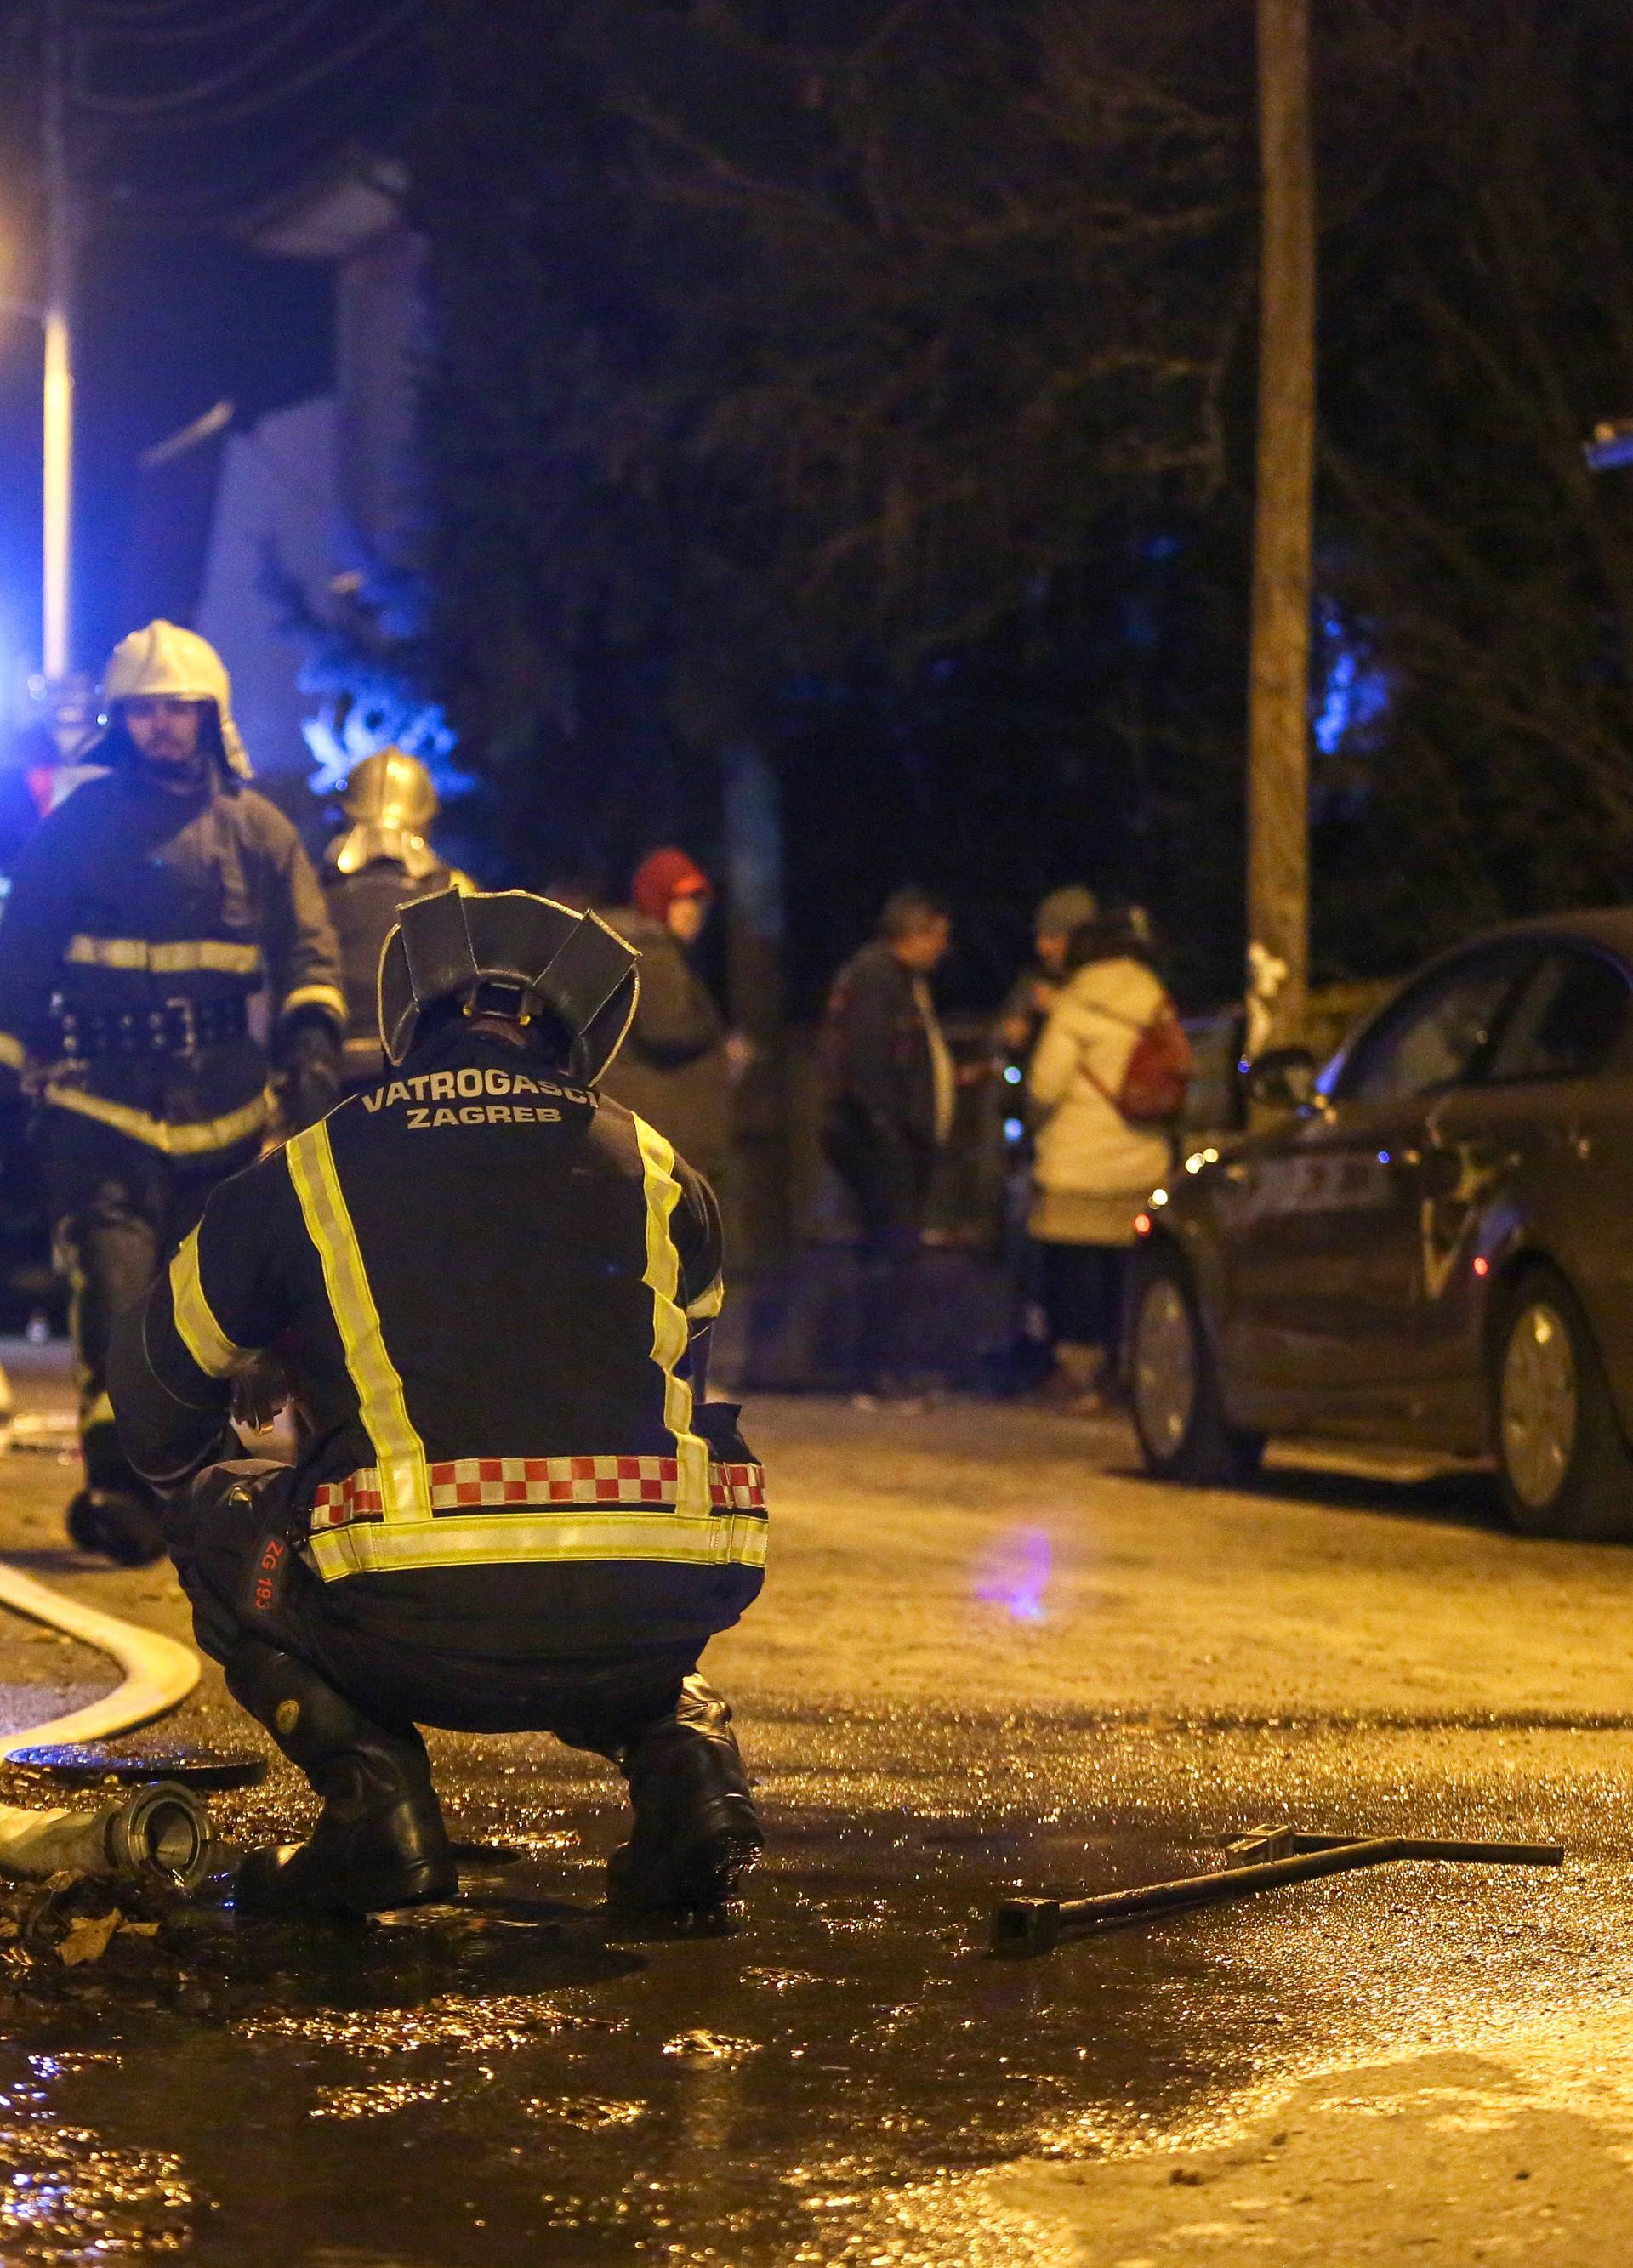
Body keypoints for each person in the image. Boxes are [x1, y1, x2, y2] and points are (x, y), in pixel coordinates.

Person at [108, 886, 766, 1918]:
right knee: (622, 1541)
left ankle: (379, 1814)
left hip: (411, 1616)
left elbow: (153, 1397)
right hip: (648, 1611)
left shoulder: (314, 1165)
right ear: (575, 1036)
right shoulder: (660, 1168)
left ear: (410, 1019)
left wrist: (274, 1373)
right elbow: (671, 1382)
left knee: (218, 1513)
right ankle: (691, 1768)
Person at [0, 621, 346, 1566]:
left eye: (177, 709)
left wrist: (311, 1031)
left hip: (224, 1112)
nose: (161, 727)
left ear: (209, 717)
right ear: (123, 722)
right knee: (114, 1293)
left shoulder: (258, 833)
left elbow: (307, 948)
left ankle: (204, 1481)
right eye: (145, 711)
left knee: (210, 1304)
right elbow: (21, 954)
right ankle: (119, 1484)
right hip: (96, 1106)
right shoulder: (77, 828)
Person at [1026, 908, 1178, 1407]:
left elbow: (1045, 1086)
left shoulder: (1073, 1006)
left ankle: (1079, 1373)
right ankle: (1127, 1366)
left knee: (1075, 1272)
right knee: (1127, 1271)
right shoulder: (1155, 1000)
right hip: (1141, 1160)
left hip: (1079, 1164)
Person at [819, 888, 956, 1407]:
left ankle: (889, 1369)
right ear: (915, 934)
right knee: (888, 1258)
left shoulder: (894, 979)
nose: (944, 947)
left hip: (890, 1142)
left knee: (895, 1256)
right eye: (939, 935)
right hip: (881, 1145)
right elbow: (870, 1064)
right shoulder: (879, 978)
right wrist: (891, 1129)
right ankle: (880, 1372)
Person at [321, 748, 469, 1091]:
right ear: (425, 814)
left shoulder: (317, 889)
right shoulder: (457, 888)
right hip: (426, 1066)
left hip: (337, 1068)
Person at [599, 848, 733, 1185]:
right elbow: (669, 1030)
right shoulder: (654, 951)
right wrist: (718, 1039)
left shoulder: (654, 950)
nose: (694, 912)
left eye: (699, 902)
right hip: (667, 1131)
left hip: (658, 1129)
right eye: (681, 900)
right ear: (657, 900)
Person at [993, 886, 1099, 1066]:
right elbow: (998, 1036)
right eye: (1039, 936)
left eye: (1053, 937)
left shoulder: (1104, 981)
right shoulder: (1035, 979)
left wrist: (1058, 1006)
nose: (1042, 948)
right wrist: (1011, 1035)